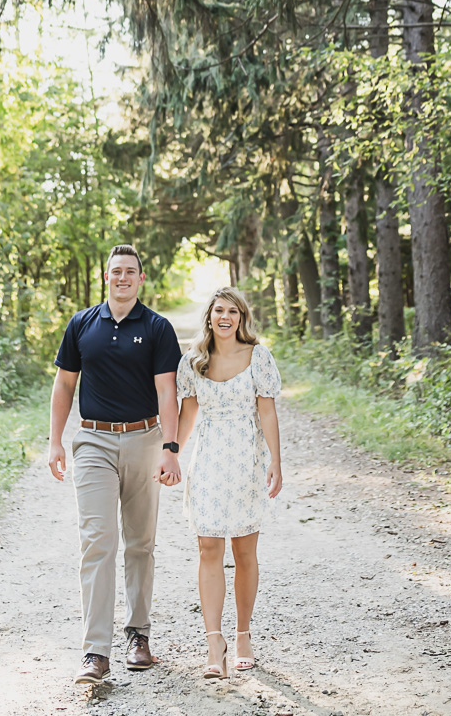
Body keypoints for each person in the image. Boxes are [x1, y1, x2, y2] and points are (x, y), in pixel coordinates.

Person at [48, 243, 183, 688]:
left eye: (130, 271)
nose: (122, 277)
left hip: (145, 439)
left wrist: (170, 446)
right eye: (115, 271)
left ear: (141, 279)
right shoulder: (82, 324)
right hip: (92, 442)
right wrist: (55, 442)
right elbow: (64, 385)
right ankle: (95, 651)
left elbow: (168, 391)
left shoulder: (158, 328)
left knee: (140, 543)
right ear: (106, 277)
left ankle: (139, 635)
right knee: (98, 542)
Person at [176, 286, 282, 679]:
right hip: (208, 461)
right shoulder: (193, 362)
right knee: (207, 547)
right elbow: (187, 417)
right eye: (219, 310)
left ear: (242, 318)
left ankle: (243, 635)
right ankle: (213, 641)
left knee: (244, 551)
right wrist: (171, 454)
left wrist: (276, 462)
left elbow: (267, 413)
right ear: (209, 316)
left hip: (248, 461)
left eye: (233, 312)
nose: (225, 317)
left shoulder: (259, 357)